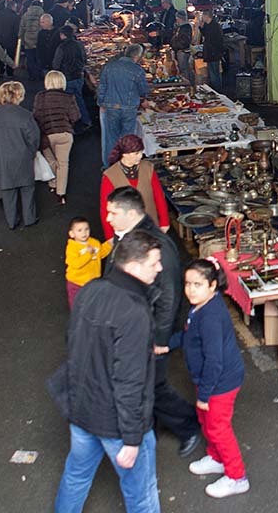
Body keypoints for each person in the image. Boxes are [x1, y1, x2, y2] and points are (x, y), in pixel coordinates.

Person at [49, 230, 162, 513]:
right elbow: (129, 381)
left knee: (76, 475)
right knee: (142, 494)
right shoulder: (135, 312)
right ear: (134, 267)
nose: (160, 268)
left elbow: (73, 342)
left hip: (82, 409)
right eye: (154, 263)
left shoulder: (91, 290)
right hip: (116, 423)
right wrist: (133, 438)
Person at [102, 188, 200, 459]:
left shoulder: (157, 247)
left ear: (132, 214)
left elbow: (168, 298)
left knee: (152, 384)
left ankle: (188, 425)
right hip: (133, 326)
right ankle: (153, 428)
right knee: (147, 383)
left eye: (113, 213)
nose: (108, 218)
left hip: (149, 332)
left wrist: (159, 339)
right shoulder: (129, 236)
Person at [164, 258, 248, 498]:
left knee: (218, 427)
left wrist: (204, 394)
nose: (191, 289)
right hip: (208, 381)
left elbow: (215, 360)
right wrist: (166, 345)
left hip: (220, 383)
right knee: (207, 421)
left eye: (198, 284)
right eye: (188, 283)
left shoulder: (211, 316)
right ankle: (217, 458)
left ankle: (237, 476)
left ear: (212, 286)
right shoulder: (199, 307)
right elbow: (189, 336)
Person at [0, 81, 40, 230]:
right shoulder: (26, 115)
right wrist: (31, 152)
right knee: (27, 189)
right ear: (18, 95)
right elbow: (34, 138)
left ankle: (12, 221)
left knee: (7, 190)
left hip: (0, 158)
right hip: (22, 157)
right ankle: (30, 218)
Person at [100, 134, 170, 241]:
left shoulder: (148, 168)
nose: (140, 156)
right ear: (125, 154)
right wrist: (109, 236)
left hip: (150, 226)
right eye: (136, 153)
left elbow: (159, 196)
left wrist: (164, 222)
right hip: (125, 231)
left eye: (141, 152)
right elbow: (105, 208)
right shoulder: (110, 175)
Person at [97, 44, 149, 169]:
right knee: (127, 137)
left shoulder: (109, 67)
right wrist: (144, 98)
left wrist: (101, 103)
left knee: (110, 137)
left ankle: (109, 165)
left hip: (110, 106)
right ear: (136, 56)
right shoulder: (137, 70)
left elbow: (102, 87)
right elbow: (143, 90)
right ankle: (126, 164)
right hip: (129, 107)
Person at [34, 70, 81, 205]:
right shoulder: (68, 97)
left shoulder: (40, 97)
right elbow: (76, 116)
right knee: (63, 164)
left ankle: (53, 182)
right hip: (64, 134)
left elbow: (36, 116)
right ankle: (61, 193)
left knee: (50, 161)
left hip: (46, 135)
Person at [52, 25, 91, 130]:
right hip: (79, 77)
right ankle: (86, 120)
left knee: (68, 102)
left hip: (67, 78)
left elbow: (56, 64)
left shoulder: (61, 47)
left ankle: (72, 123)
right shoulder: (79, 45)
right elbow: (85, 59)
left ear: (62, 35)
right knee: (79, 98)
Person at [64, 217, 105, 309]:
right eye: (79, 230)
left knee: (92, 302)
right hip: (76, 282)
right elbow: (75, 264)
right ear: (71, 234)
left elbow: (100, 253)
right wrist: (88, 254)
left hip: (92, 280)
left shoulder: (94, 242)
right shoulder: (72, 248)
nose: (84, 233)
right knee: (76, 304)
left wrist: (109, 245)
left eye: (86, 229)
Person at [20, 0, 45, 80]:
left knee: (30, 59)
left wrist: (21, 38)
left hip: (28, 39)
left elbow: (22, 28)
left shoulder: (25, 15)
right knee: (39, 58)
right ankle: (39, 74)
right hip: (39, 39)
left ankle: (32, 75)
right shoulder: (42, 14)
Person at [199, 9, 224, 91]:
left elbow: (213, 40)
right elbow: (206, 35)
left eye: (203, 15)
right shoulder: (209, 25)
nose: (202, 17)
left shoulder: (214, 26)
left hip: (213, 53)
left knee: (214, 74)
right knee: (213, 73)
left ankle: (217, 91)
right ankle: (217, 90)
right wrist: (201, 28)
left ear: (206, 16)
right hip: (211, 52)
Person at [170, 11, 195, 88]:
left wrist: (174, 45)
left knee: (184, 70)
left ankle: (187, 86)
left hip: (182, 52)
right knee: (183, 69)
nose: (176, 19)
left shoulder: (185, 28)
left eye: (177, 18)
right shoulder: (181, 27)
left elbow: (184, 41)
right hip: (180, 51)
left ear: (180, 18)